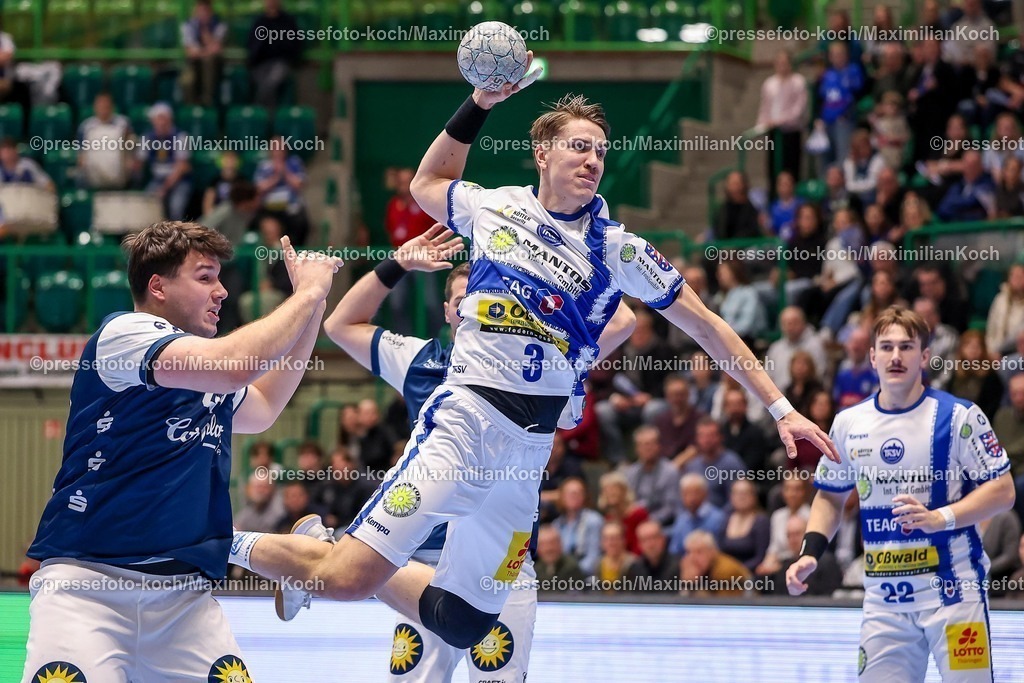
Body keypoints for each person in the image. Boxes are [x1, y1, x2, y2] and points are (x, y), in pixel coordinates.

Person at [228, 71, 836, 653]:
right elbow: (425, 183)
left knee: (465, 622)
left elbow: (708, 325)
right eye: (578, 146)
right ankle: (221, 544)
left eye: (600, 150)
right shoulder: (494, 208)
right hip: (465, 422)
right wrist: (481, 103)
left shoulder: (620, 249)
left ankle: (324, 546)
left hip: (526, 455)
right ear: (542, 152)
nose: (593, 159)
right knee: (345, 581)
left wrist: (781, 409)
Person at [22, 222, 341, 681]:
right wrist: (304, 296)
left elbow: (266, 405)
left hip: (183, 600)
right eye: (206, 277)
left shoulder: (204, 374)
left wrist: (315, 305)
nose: (223, 292)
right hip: (87, 590)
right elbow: (236, 366)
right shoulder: (125, 334)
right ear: (158, 286)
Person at [320, 225, 635, 682]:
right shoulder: (419, 360)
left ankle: (322, 549)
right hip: (423, 563)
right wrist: (400, 263)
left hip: (501, 561)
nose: (473, 306)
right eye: (462, 300)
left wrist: (558, 263)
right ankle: (324, 552)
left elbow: (623, 323)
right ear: (449, 311)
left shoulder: (543, 359)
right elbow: (339, 325)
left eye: (486, 294)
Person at [788, 306, 1016, 683]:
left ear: (924, 357)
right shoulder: (848, 422)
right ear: (872, 355)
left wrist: (939, 518)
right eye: (887, 347)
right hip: (884, 602)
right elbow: (829, 495)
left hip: (955, 594)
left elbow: (1003, 490)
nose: (896, 356)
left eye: (907, 347)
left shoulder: (960, 416)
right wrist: (810, 553)